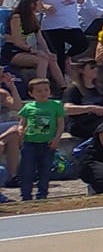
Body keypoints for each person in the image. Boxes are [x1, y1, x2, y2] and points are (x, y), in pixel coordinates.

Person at [31, 0, 88, 78]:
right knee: (58, 57)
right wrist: (44, 6)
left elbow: (81, 0)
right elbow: (30, 3)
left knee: (82, 43)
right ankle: (59, 86)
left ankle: (68, 56)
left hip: (71, 24)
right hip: (53, 26)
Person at [12, 73, 63, 202]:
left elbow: (60, 124)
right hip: (30, 143)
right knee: (27, 171)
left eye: (46, 90)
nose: (43, 93)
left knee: (45, 171)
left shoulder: (56, 105)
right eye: (39, 91)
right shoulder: (28, 107)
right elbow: (22, 122)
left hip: (47, 143)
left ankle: (42, 195)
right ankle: (26, 196)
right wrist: (20, 129)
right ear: (31, 93)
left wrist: (57, 138)